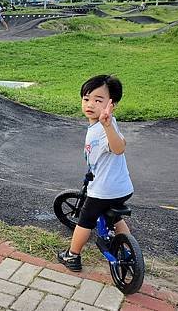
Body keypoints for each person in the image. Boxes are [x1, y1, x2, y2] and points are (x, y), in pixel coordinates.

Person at [58, 75, 134, 272]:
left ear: (112, 104)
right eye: (86, 98)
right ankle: (129, 248)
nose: (90, 104)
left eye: (98, 100)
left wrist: (107, 126)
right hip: (122, 188)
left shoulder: (104, 126)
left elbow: (119, 148)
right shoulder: (99, 125)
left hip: (104, 190)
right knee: (115, 217)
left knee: (85, 221)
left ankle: (72, 255)